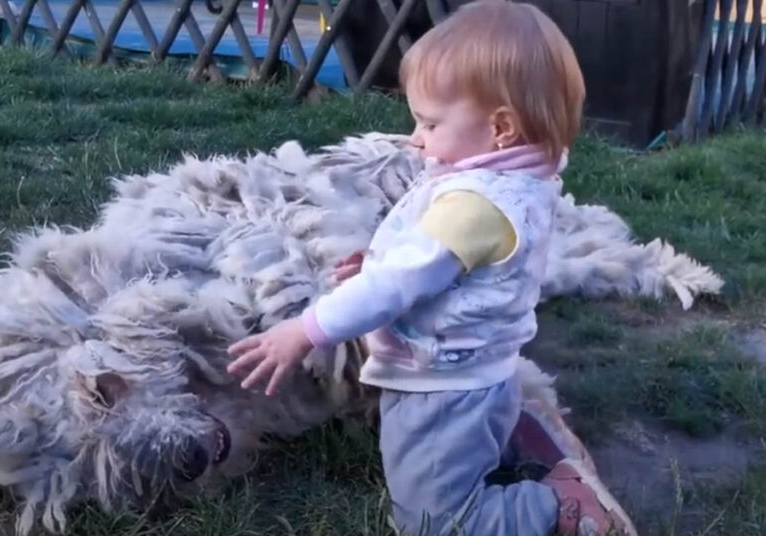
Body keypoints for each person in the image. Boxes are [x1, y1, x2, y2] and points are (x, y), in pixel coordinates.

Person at [225, 1, 637, 535]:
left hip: (441, 389)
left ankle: (555, 507)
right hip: (481, 370)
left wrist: (305, 330)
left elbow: (397, 288)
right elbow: (439, 265)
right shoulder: (513, 179)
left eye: (431, 122)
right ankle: (525, 436)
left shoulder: (476, 205)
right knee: (472, 441)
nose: (416, 136)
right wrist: (378, 261)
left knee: (435, 522)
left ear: (502, 128)